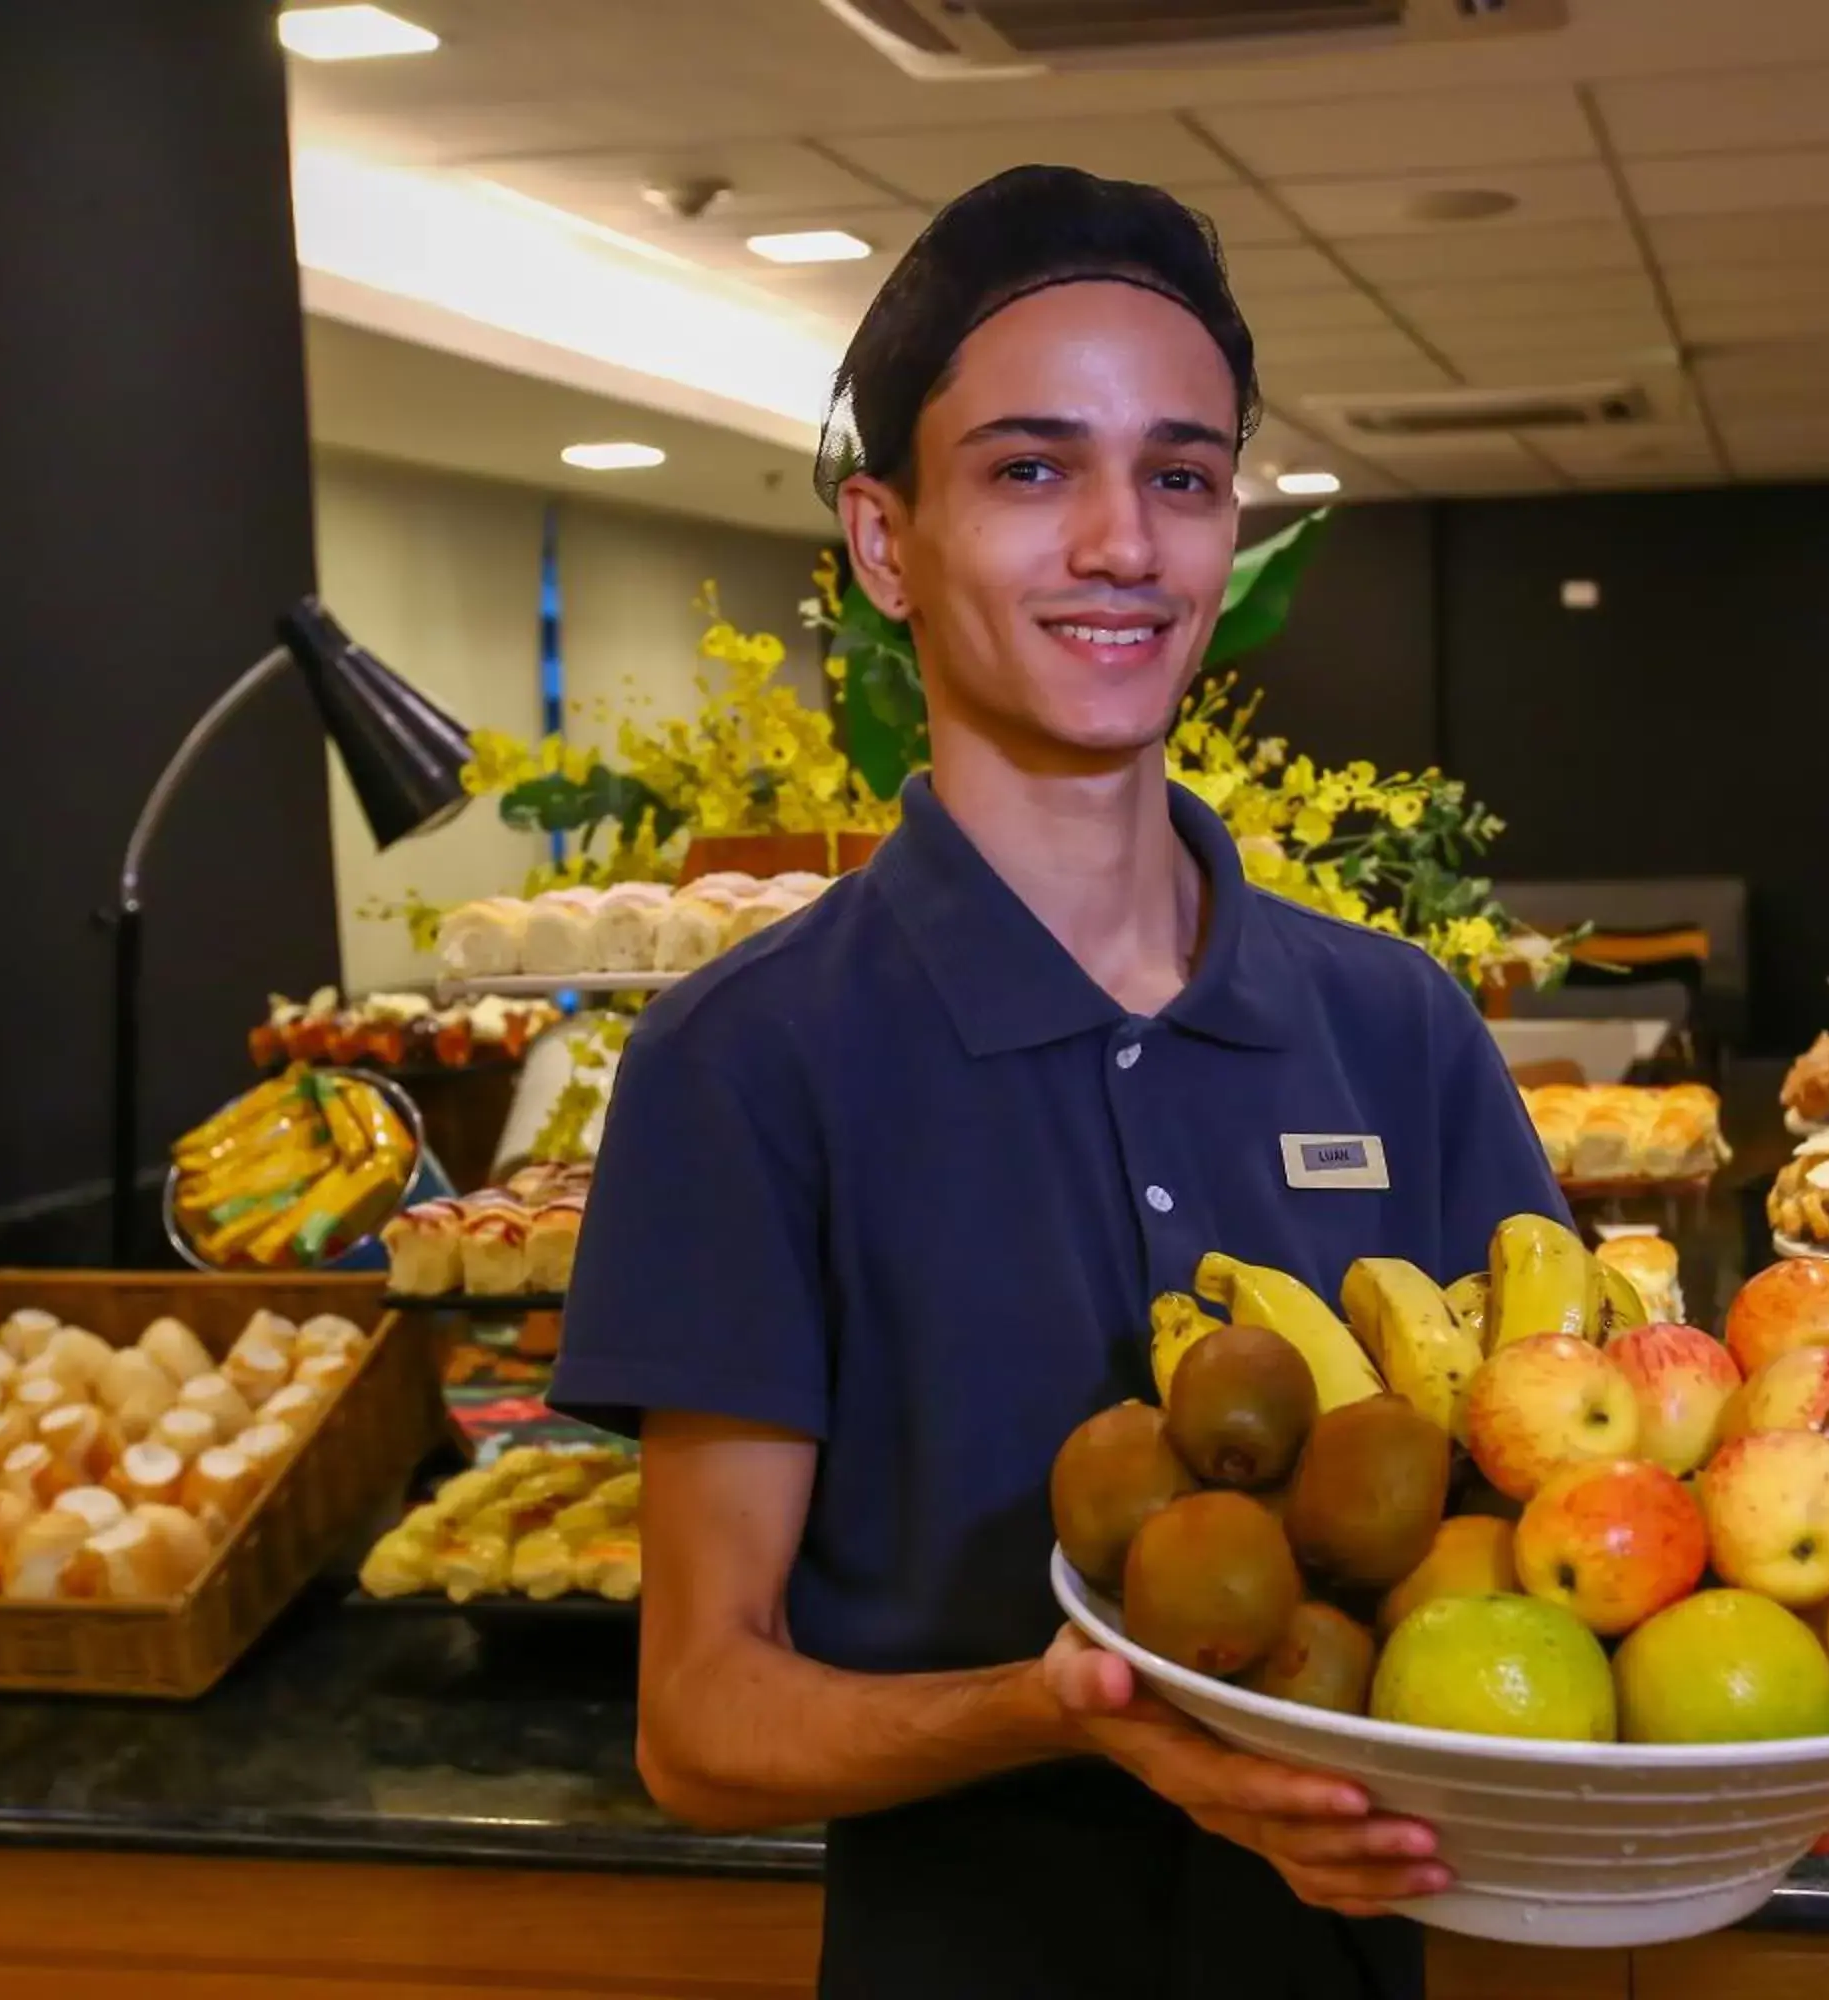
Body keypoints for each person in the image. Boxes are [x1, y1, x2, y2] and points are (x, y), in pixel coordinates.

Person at [551, 164, 1569, 2000]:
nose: (1123, 542)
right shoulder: (749, 1062)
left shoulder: (1396, 1024)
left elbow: (1558, 1509)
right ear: (885, 540)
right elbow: (702, 1719)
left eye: (1179, 475)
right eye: (1033, 470)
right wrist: (1063, 1713)